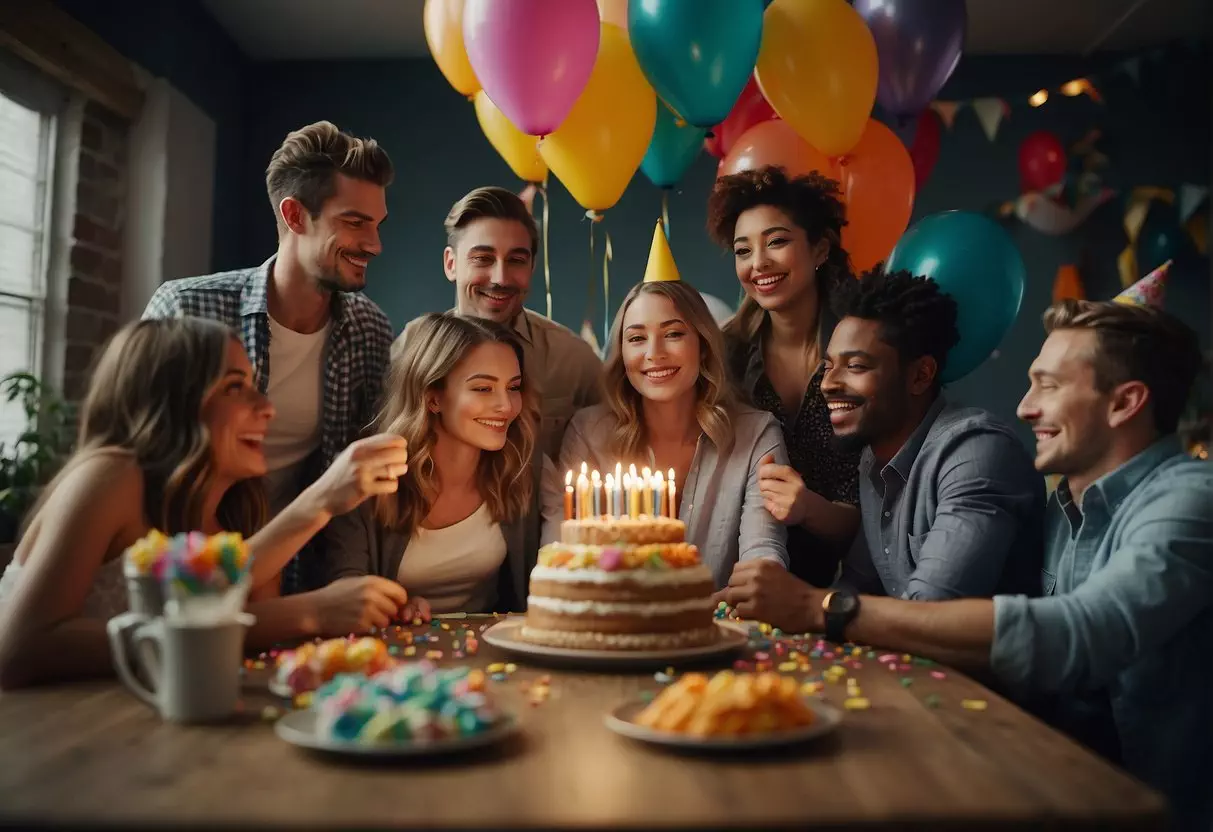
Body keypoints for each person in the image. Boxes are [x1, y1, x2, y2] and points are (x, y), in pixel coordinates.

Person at [721, 298, 1211, 831]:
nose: (1025, 408)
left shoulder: (1191, 499)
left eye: (1049, 385)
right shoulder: (1065, 505)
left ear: (1125, 403)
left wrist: (822, 607)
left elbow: (1080, 633)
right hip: (1055, 785)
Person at [0, 318, 412, 689]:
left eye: (254, 385)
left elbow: (243, 643)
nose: (266, 407)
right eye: (235, 387)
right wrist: (308, 611)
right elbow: (20, 649)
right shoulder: (109, 477)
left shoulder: (241, 506)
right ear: (172, 400)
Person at [142, 121, 395, 593]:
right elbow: (140, 466)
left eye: (378, 225)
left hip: (299, 578)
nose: (375, 245)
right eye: (355, 222)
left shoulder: (369, 328)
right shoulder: (186, 309)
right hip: (181, 579)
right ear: (295, 215)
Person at [558, 228, 789, 588]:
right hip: (613, 628)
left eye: (674, 333)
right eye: (636, 338)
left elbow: (764, 556)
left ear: (703, 344)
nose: (655, 353)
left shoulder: (757, 435)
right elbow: (562, 558)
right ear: (622, 353)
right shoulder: (587, 433)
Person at [822, 268, 1044, 600]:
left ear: (920, 376)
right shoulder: (873, 457)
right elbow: (858, 584)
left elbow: (930, 609)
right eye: (828, 366)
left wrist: (810, 607)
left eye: (855, 366)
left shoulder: (977, 453)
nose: (828, 384)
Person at [325, 313, 560, 618]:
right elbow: (343, 591)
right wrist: (391, 609)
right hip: (393, 655)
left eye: (513, 387)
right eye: (483, 389)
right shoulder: (366, 475)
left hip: (494, 656)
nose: (506, 405)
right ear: (433, 398)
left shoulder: (522, 468)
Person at [707, 166, 860, 587]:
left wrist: (808, 507)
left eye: (776, 241)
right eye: (743, 250)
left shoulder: (865, 350)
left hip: (853, 587)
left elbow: (884, 511)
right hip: (743, 581)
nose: (758, 263)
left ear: (821, 250)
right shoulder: (727, 355)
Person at [394, 186, 602, 460]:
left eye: (516, 260)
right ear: (451, 264)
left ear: (532, 267)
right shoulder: (410, 349)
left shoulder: (573, 360)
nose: (500, 278)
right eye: (483, 259)